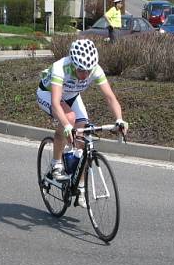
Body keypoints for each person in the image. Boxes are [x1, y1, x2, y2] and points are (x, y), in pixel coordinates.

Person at [36, 38, 128, 207]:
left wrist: (119, 119)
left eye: (88, 70)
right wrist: (67, 127)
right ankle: (56, 163)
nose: (85, 74)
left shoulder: (95, 70)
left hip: (72, 96)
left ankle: (80, 188)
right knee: (69, 119)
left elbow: (110, 98)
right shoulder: (60, 67)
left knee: (83, 140)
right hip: (48, 94)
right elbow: (56, 104)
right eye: (81, 70)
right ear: (73, 63)